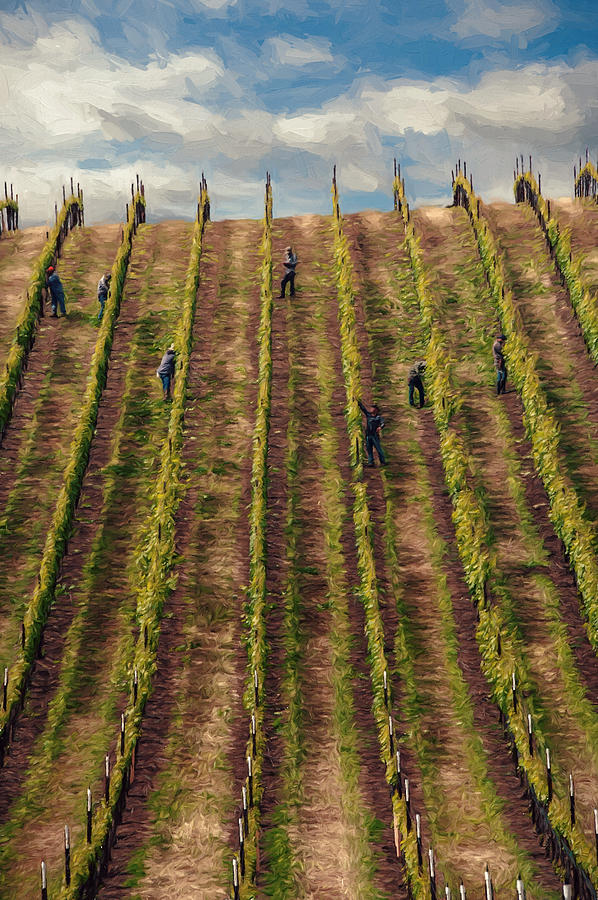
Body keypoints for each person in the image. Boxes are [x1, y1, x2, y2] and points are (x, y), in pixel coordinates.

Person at [358, 399, 386, 467]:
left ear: (376, 410)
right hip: (368, 435)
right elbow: (363, 409)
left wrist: (380, 427)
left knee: (378, 448)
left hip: (374, 435)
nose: (371, 409)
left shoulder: (378, 418)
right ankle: (371, 462)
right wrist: (358, 402)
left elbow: (383, 423)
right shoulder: (368, 415)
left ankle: (382, 461)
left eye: (373, 408)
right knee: (369, 448)